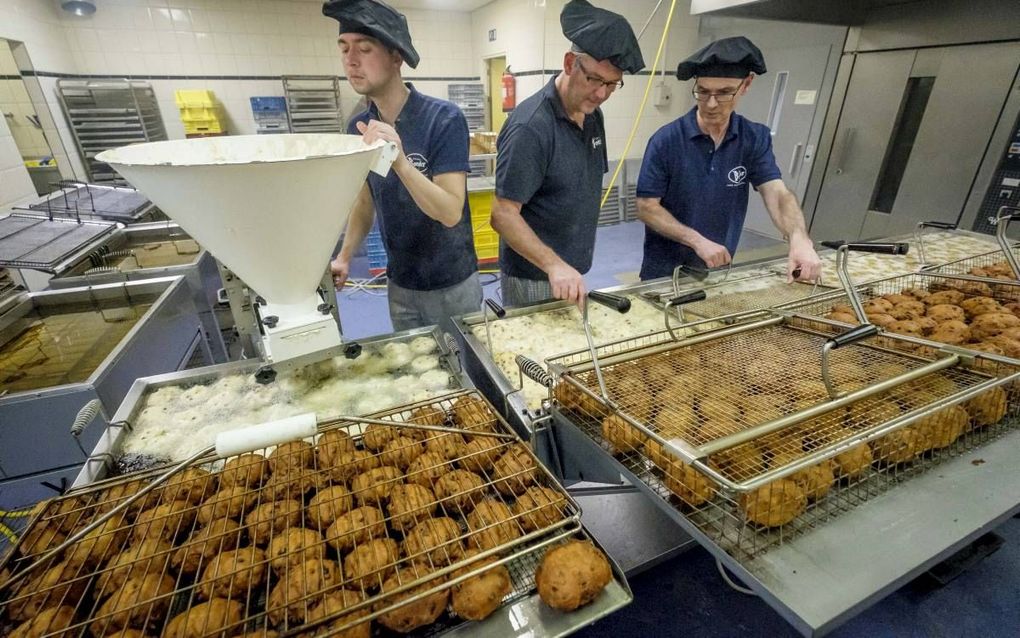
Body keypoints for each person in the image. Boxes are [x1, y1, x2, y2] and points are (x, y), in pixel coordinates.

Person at [323, 0, 481, 332]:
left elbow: (451, 211)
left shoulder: (443, 119)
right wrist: (345, 255)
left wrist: (402, 163)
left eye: (364, 49)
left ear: (397, 57)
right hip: (401, 286)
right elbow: (366, 203)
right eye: (344, 48)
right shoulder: (360, 128)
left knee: (465, 371)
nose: (350, 60)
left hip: (451, 284)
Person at [490, 0, 644, 307]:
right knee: (533, 354)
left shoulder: (592, 114)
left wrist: (566, 266)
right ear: (570, 62)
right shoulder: (531, 127)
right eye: (594, 79)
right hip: (534, 276)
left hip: (570, 272)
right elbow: (502, 214)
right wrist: (553, 264)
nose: (601, 94)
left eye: (613, 84)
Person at [635, 36, 821, 282]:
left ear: (746, 85)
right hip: (665, 271)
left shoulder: (754, 138)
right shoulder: (667, 140)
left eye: (724, 93)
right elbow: (647, 207)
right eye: (702, 92)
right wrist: (697, 241)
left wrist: (799, 238)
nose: (711, 104)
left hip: (718, 267)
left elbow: (777, 194)